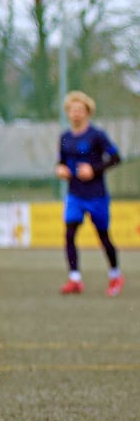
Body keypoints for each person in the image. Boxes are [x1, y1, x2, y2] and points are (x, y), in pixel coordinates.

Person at [56, 90, 122, 296]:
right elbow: (61, 162)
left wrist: (94, 169)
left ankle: (115, 275)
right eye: (72, 109)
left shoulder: (97, 135)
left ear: (87, 112)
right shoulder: (65, 137)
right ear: (68, 112)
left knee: (103, 236)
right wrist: (60, 169)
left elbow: (116, 158)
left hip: (96, 195)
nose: (76, 113)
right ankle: (75, 278)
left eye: (80, 109)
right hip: (75, 194)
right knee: (69, 234)